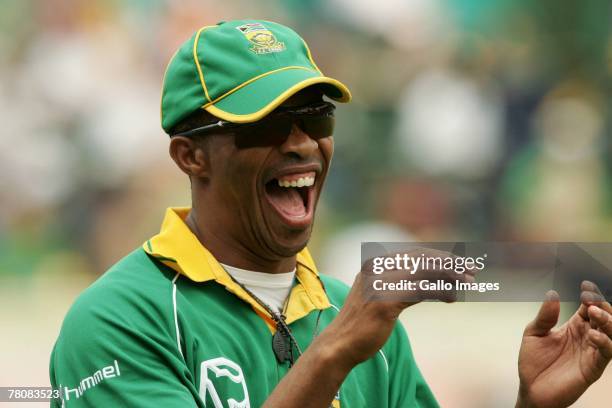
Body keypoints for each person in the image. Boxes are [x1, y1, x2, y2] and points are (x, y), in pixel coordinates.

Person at [49, 19, 611, 408]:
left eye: (315, 116)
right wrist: (335, 351)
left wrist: (528, 406)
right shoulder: (118, 322)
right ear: (191, 155)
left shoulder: (357, 316)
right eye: (266, 122)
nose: (301, 143)